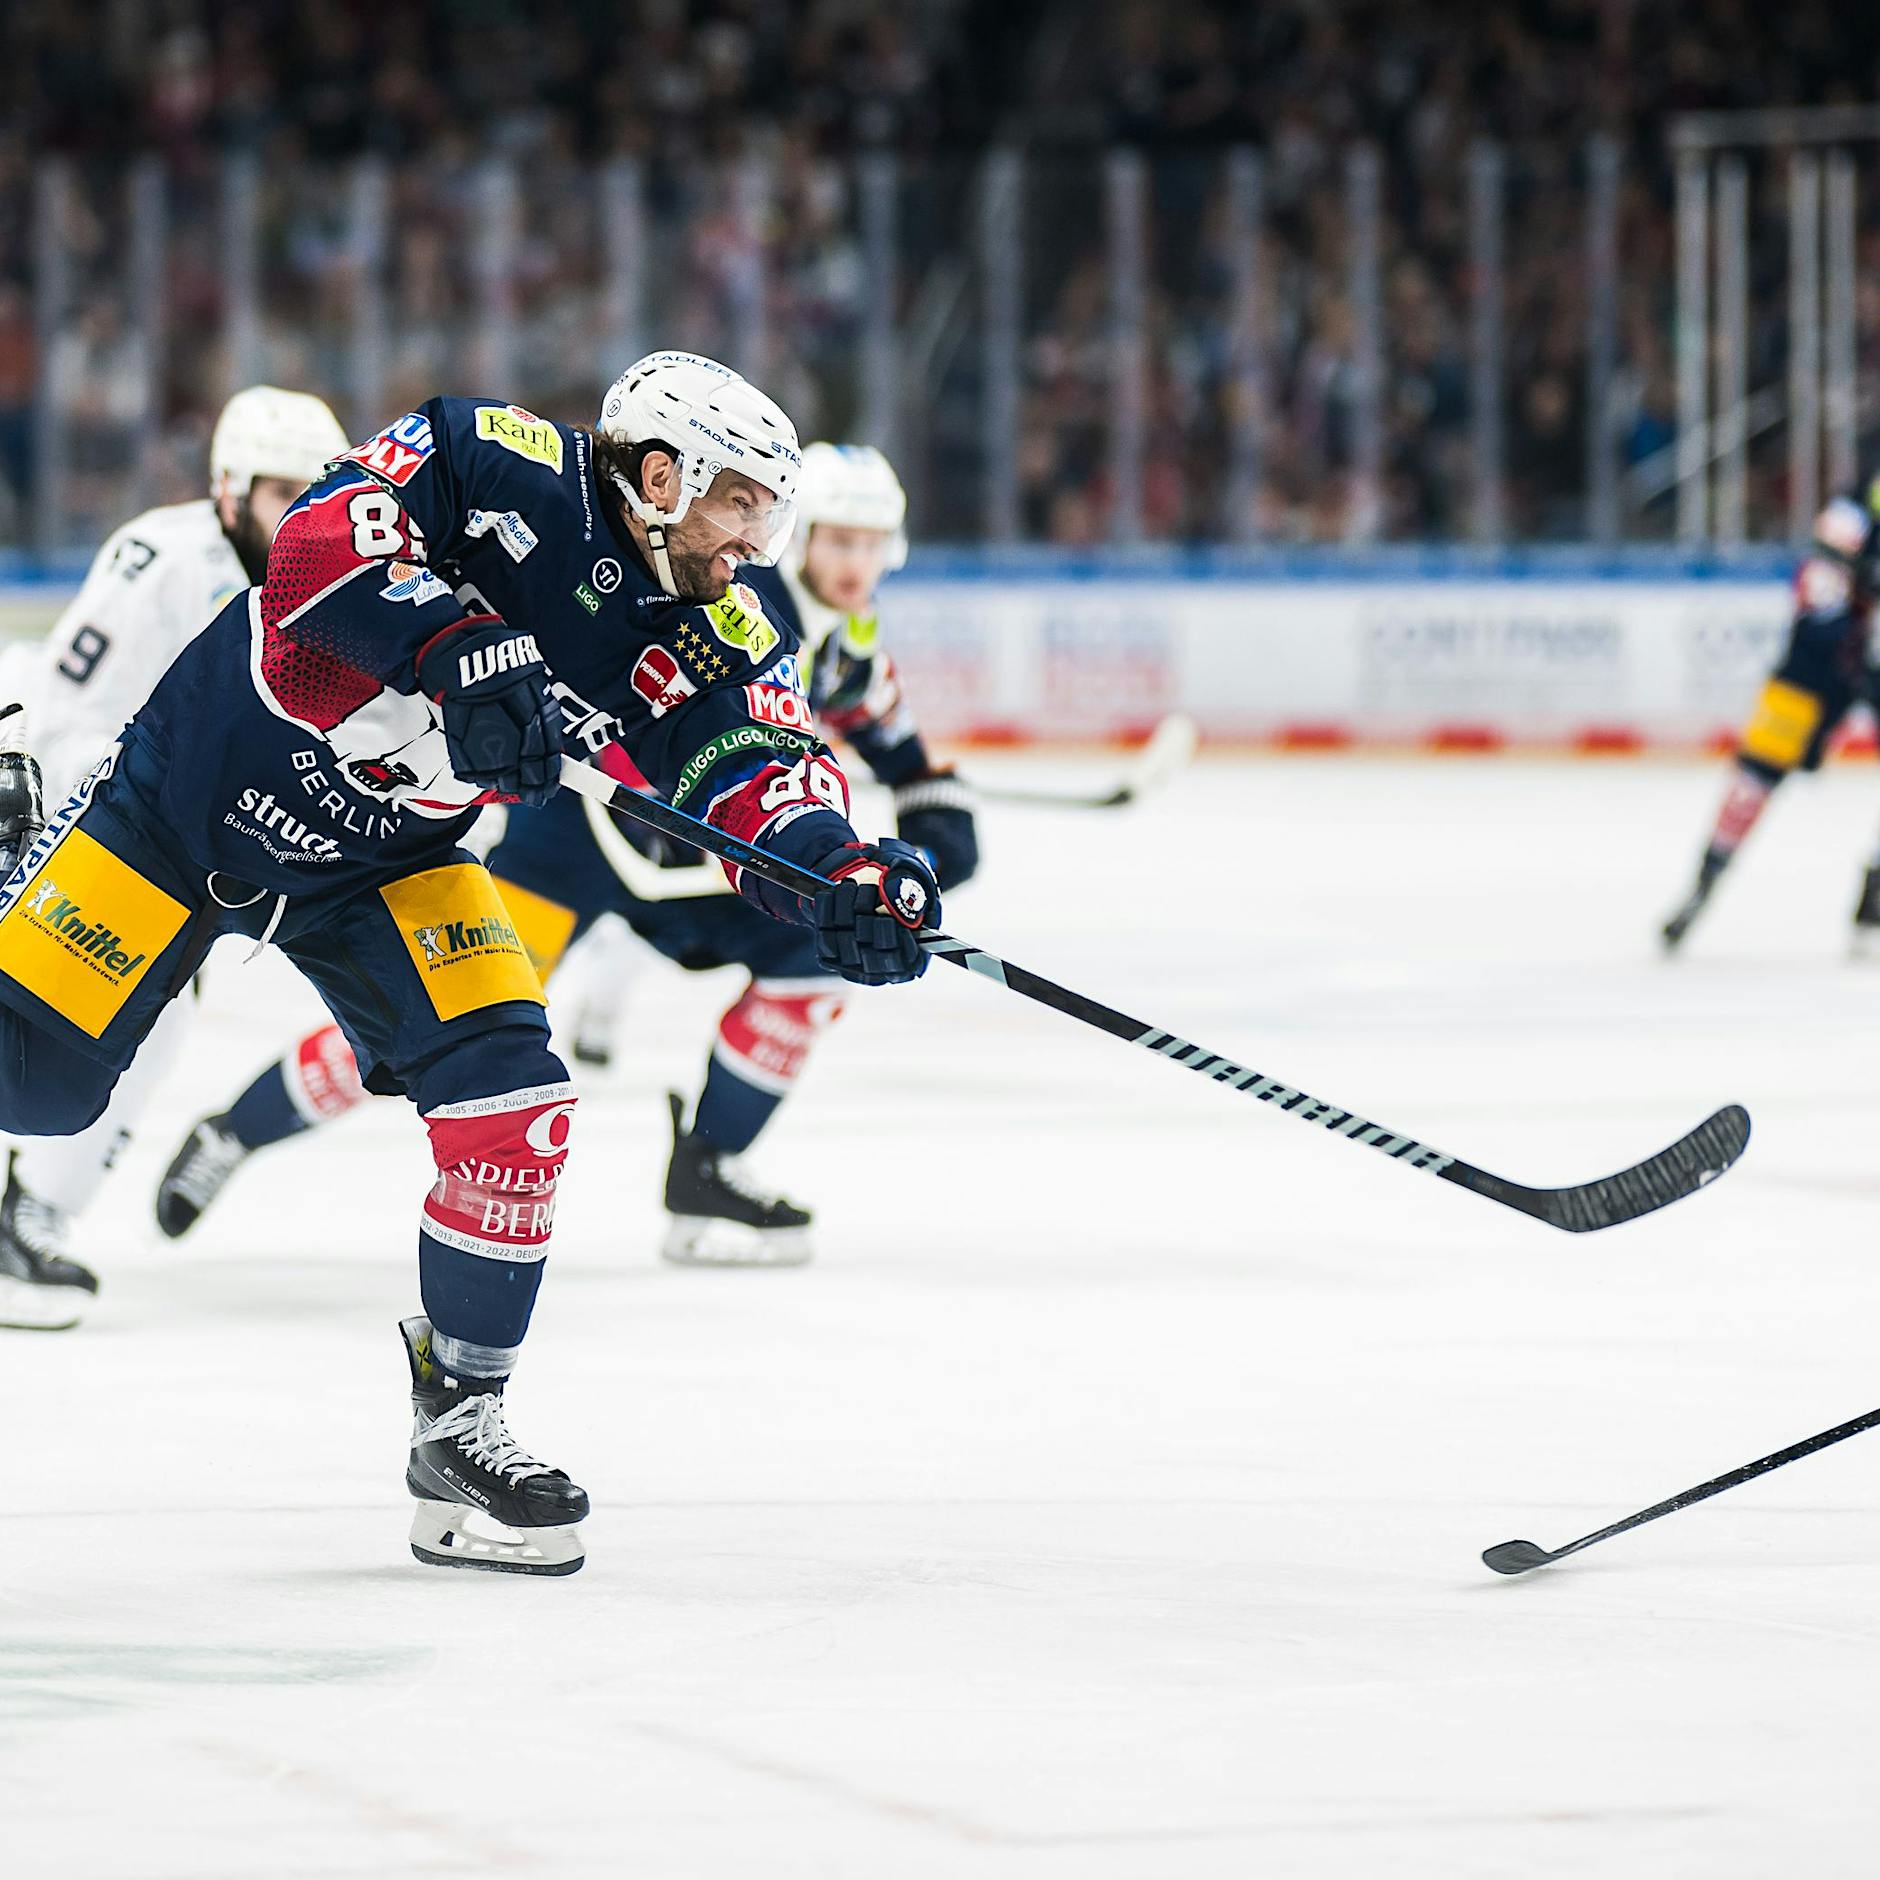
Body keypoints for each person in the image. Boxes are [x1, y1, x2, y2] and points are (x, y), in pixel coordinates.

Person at [0, 353, 939, 1574]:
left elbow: (757, 766)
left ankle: (458, 1425)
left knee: (516, 1104)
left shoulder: (720, 625)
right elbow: (307, 554)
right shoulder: (496, 459)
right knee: (41, 1089)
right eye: (738, 503)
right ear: (662, 475)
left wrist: (839, 872)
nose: (756, 540)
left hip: (386, 865)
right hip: (186, 808)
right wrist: (451, 640)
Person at [156, 442, 978, 1268]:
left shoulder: (847, 636)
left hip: (691, 867)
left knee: (808, 963)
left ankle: (709, 1166)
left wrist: (930, 804)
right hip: (571, 849)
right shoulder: (731, 592)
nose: (855, 562)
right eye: (839, 539)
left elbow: (876, 731)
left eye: (872, 544)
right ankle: (236, 1131)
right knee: (428, 1031)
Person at [0, 386, 349, 1330]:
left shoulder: (331, 578)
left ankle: (28, 1214)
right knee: (94, 1034)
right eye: (283, 492)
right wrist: (66, 836)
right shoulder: (163, 555)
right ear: (229, 490)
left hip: (192, 845)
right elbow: (70, 700)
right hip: (114, 833)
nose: (302, 514)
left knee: (142, 1039)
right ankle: (24, 1217)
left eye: (317, 492)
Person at [1662, 480, 1880, 951]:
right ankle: (1704, 884)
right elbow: (1820, 594)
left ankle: (1875, 891)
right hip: (1817, 666)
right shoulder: (1854, 505)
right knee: (1753, 778)